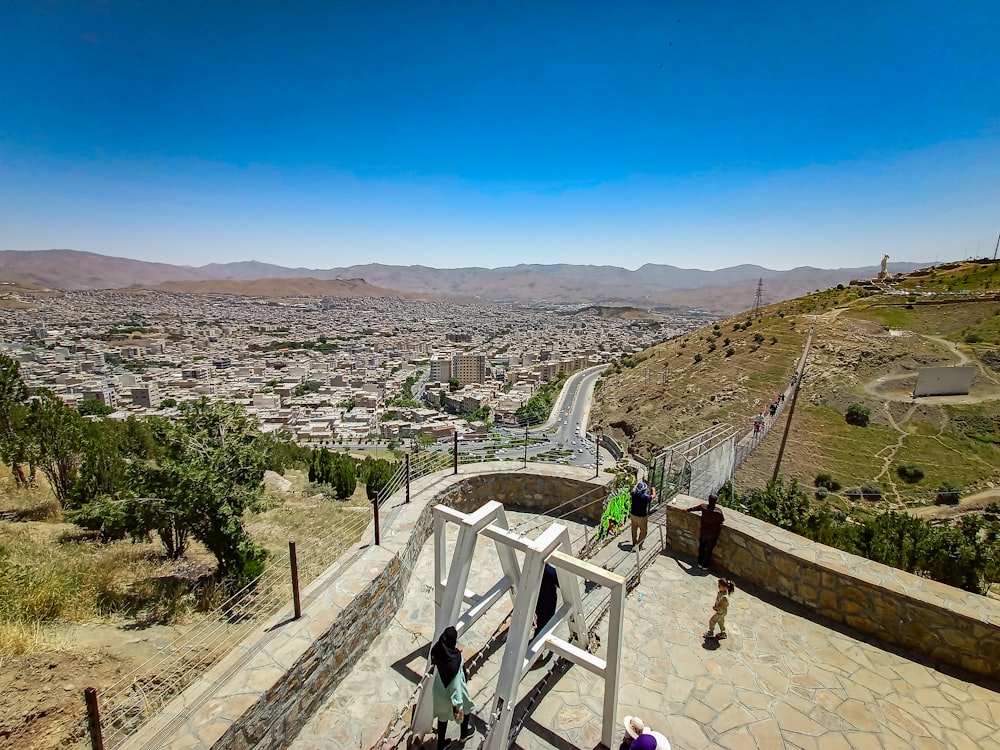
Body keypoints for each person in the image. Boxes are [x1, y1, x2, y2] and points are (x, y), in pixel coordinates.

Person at [431, 626, 475, 747]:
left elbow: (446, 655)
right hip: (454, 691)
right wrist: (458, 708)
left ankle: (441, 744)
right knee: (466, 708)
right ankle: (464, 735)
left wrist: (455, 651)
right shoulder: (455, 662)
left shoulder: (437, 650)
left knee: (442, 716)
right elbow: (456, 688)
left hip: (438, 691)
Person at [683, 493, 725, 568]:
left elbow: (694, 508)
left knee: (701, 547)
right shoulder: (718, 512)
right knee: (708, 550)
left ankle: (700, 562)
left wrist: (687, 510)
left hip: (704, 532)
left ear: (709, 500)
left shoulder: (703, 507)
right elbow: (722, 520)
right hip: (713, 534)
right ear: (715, 501)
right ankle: (705, 565)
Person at [534, 563, 560, 640]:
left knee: (541, 622)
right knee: (546, 622)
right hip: (548, 601)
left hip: (538, 599)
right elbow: (561, 583)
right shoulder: (550, 571)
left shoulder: (536, 566)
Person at [629, 480, 656, 551]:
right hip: (642, 517)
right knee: (643, 532)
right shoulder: (645, 497)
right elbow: (653, 496)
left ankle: (634, 543)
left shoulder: (633, 494)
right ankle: (638, 546)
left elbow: (633, 489)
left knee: (634, 530)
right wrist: (653, 490)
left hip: (633, 515)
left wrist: (637, 485)